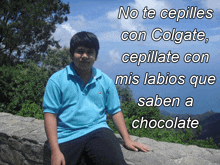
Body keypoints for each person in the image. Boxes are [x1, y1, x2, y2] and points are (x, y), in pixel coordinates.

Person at [43, 31, 150, 165]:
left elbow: (115, 111)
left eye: (90, 52)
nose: (85, 56)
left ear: (96, 56)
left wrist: (127, 140)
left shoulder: (104, 81)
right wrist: (55, 151)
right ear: (71, 54)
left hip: (97, 130)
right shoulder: (57, 80)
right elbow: (50, 115)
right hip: (66, 135)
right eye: (80, 51)